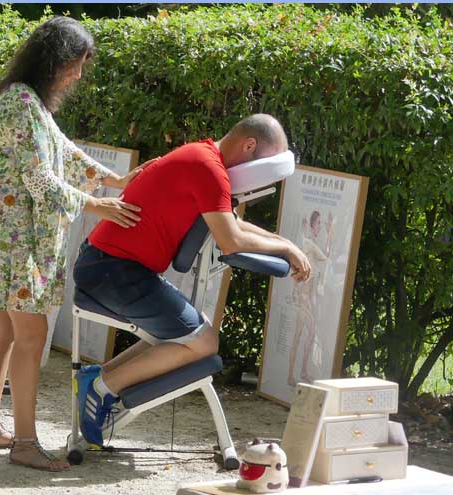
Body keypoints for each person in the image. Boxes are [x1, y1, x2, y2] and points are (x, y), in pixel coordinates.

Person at [0, 16, 147, 471]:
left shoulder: (23, 100)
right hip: (13, 240)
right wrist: (97, 204)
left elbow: (64, 151)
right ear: (54, 61)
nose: (78, 75)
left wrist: (115, 180)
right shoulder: (22, 103)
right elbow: (40, 179)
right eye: (75, 64)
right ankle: (24, 443)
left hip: (0, 236)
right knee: (30, 334)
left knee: (5, 330)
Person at [72, 114, 312, 446]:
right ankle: (101, 388)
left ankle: (97, 378)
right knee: (202, 342)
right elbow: (231, 240)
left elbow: (231, 224)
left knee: (190, 334)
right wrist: (284, 247)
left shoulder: (204, 158)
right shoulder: (208, 169)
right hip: (113, 271)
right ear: (249, 145)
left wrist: (285, 243)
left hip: (112, 267)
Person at [287, 209, 334, 386]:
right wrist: (330, 233)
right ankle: (296, 373)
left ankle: (299, 372)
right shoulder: (309, 244)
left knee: (303, 335)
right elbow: (325, 256)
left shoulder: (306, 243)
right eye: (318, 224)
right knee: (303, 334)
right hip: (302, 298)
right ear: (312, 225)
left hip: (304, 297)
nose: (320, 227)